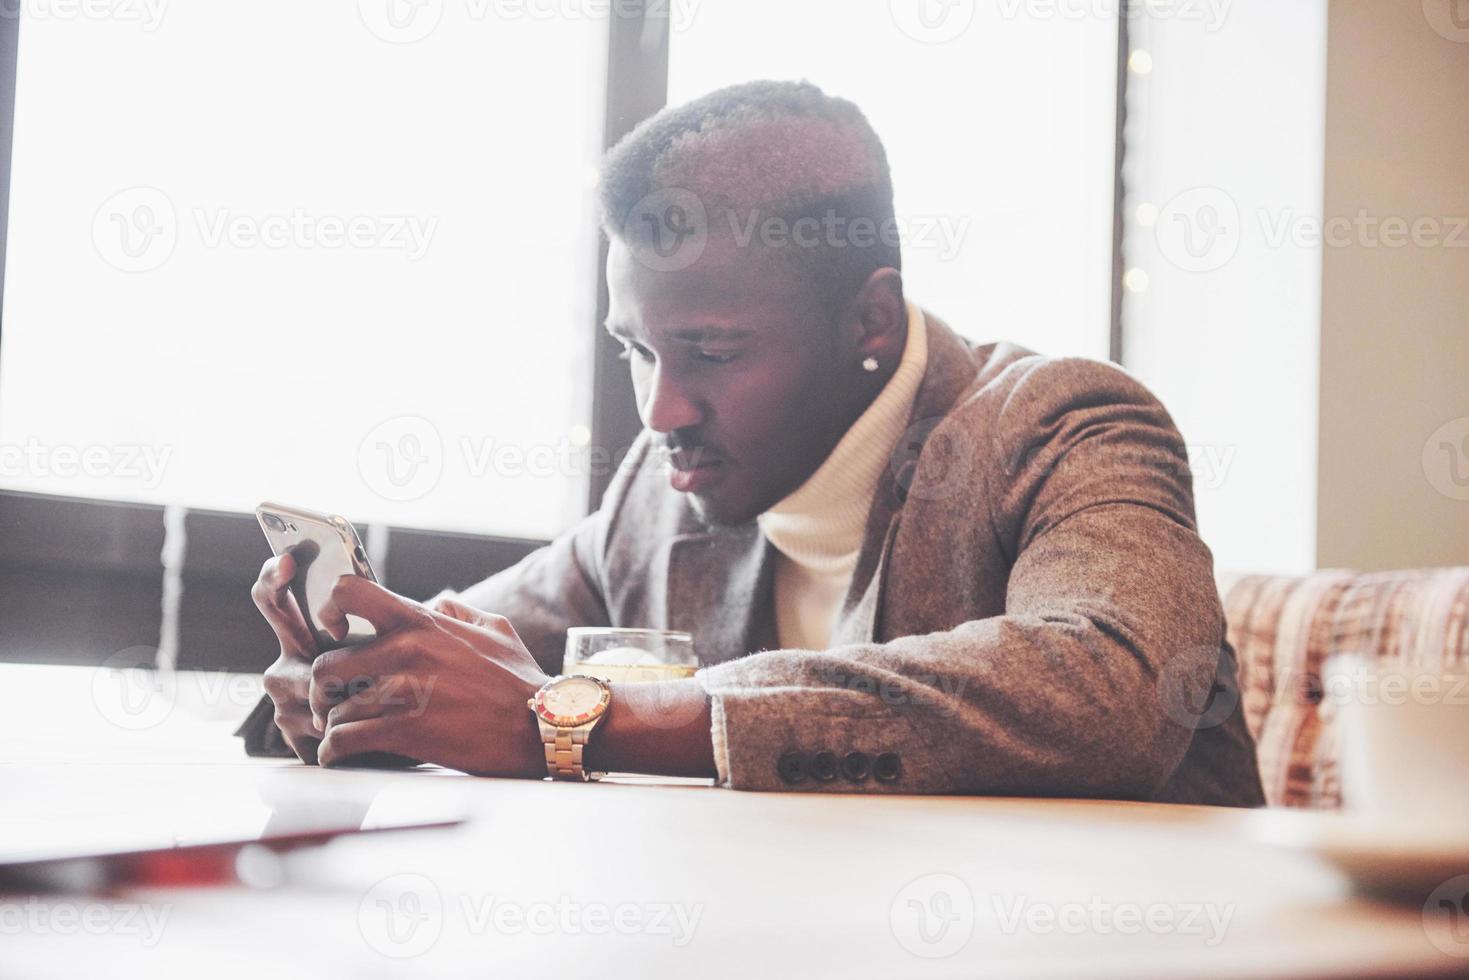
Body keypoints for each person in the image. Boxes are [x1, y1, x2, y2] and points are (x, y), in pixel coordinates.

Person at [252, 80, 1264, 804]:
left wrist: (576, 720)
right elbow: (470, 648)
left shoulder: (1062, 422)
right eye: (635, 352)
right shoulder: (665, 489)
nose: (660, 410)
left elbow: (1107, 690)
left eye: (711, 350)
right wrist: (354, 688)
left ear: (867, 323)